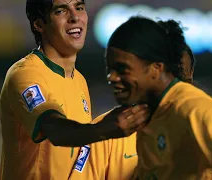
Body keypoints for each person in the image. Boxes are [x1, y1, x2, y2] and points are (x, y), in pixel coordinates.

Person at [0, 0, 149, 179]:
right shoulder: (25, 74)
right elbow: (54, 130)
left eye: (79, 8)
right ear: (39, 24)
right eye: (61, 11)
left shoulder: (79, 80)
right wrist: (105, 129)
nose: (75, 17)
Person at [105, 15, 212, 180]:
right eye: (111, 69)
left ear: (155, 67)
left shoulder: (188, 105)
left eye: (123, 69)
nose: (112, 77)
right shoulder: (152, 112)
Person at [71, 21, 198, 180]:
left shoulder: (203, 127)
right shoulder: (107, 132)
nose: (170, 89)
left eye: (179, 80)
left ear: (190, 80)